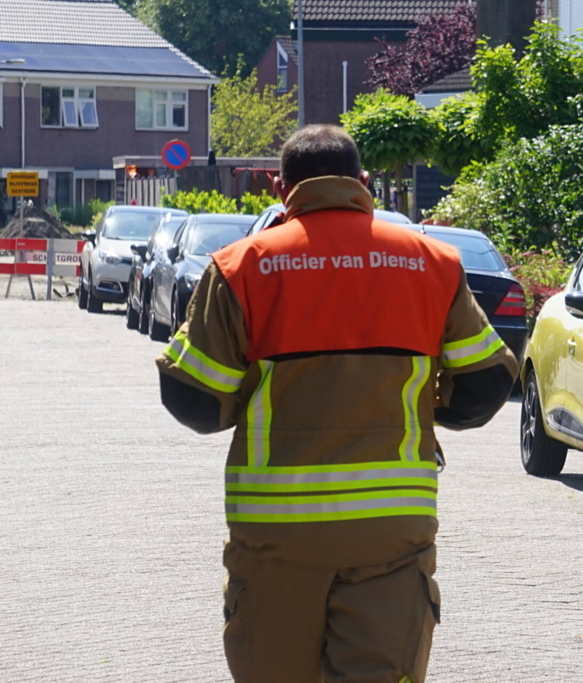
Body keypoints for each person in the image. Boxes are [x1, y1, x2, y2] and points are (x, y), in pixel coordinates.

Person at [156, 124, 517, 683]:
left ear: (280, 188)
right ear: (364, 182)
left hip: (277, 532)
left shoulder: (242, 267)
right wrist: (419, 402)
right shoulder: (432, 263)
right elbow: (487, 385)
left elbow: (194, 400)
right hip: (391, 531)